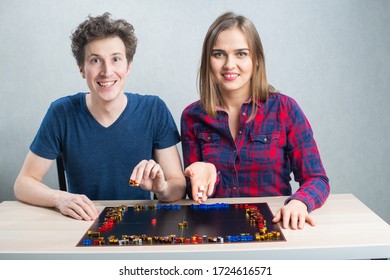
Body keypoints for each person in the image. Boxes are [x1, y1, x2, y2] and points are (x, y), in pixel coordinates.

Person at [14, 13, 186, 221]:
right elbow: (23, 183)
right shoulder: (61, 113)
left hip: (141, 227)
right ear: (81, 69)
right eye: (95, 60)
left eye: (116, 59)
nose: (107, 71)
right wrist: (60, 199)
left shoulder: (154, 109)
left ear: (128, 66)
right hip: (84, 225)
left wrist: (162, 188)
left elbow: (178, 185)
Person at [181, 12, 330, 230]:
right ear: (208, 61)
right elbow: (193, 193)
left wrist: (300, 202)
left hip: (274, 228)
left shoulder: (285, 109)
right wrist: (201, 177)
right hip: (217, 232)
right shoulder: (192, 116)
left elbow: (317, 178)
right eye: (219, 54)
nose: (229, 64)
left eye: (241, 54)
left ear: (256, 59)